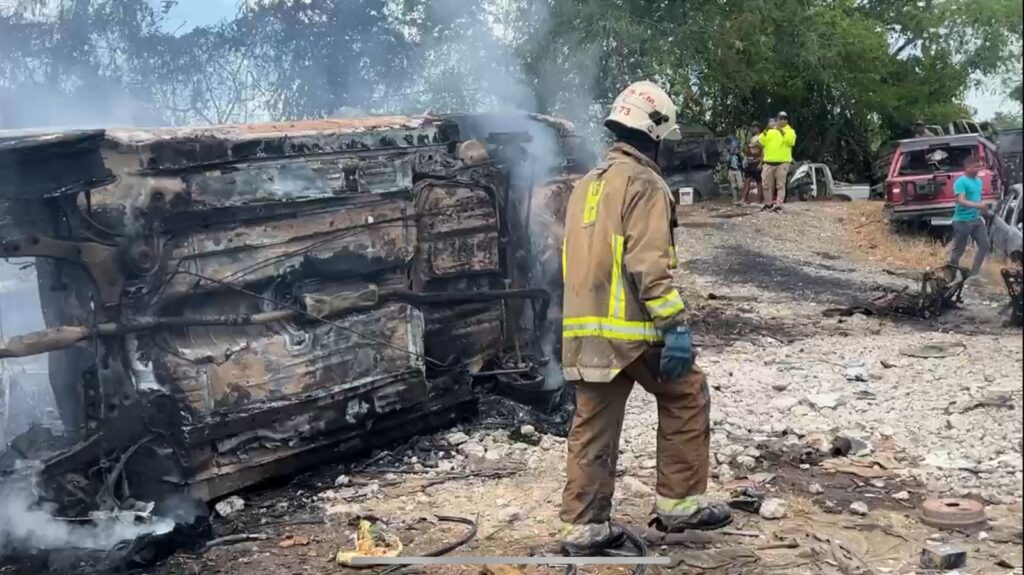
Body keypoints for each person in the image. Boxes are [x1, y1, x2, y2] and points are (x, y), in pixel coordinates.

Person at [558, 81, 732, 554]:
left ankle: (584, 528)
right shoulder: (645, 184)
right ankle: (680, 505)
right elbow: (648, 265)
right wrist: (675, 327)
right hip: (633, 331)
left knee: (592, 424)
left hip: (585, 332)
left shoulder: (585, 185)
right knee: (686, 393)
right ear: (654, 135)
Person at [948, 156, 991, 280]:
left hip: (976, 219)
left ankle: (974, 274)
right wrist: (978, 205)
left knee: (985, 245)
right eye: (976, 167)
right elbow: (961, 201)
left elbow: (976, 198)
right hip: (962, 220)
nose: (979, 169)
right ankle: (951, 275)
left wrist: (983, 208)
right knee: (958, 251)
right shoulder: (961, 182)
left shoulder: (978, 181)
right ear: (968, 168)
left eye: (980, 166)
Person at [758, 112, 797, 212]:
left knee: (780, 185)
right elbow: (761, 141)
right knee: (766, 184)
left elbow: (790, 142)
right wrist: (766, 130)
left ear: (787, 121)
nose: (782, 121)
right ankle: (768, 204)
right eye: (780, 119)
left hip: (782, 162)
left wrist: (781, 131)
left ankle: (779, 205)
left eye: (785, 119)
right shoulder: (770, 131)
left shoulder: (790, 131)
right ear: (777, 120)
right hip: (768, 161)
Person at [742, 122, 764, 204]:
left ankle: (759, 200)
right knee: (747, 180)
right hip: (750, 161)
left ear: (757, 128)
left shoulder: (761, 137)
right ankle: (744, 199)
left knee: (758, 181)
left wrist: (761, 162)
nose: (752, 129)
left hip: (757, 161)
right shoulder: (752, 138)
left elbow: (763, 150)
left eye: (754, 128)